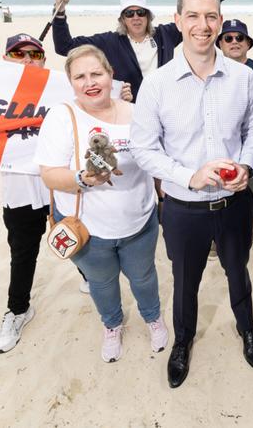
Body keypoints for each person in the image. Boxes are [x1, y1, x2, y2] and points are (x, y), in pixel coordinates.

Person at [130, 0, 253, 389]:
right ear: (177, 20)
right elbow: (143, 150)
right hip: (183, 208)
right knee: (184, 282)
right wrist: (189, 175)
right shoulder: (155, 84)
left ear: (220, 20)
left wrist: (245, 165)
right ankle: (183, 341)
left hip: (233, 203)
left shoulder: (242, 77)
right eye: (193, 16)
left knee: (238, 271)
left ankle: (247, 329)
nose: (202, 25)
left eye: (210, 16)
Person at [35, 44, 168, 363]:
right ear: (71, 82)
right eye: (80, 76)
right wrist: (83, 178)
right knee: (102, 283)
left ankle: (152, 317)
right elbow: (50, 175)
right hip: (88, 233)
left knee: (144, 277)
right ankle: (112, 325)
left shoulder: (138, 114)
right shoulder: (62, 116)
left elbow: (158, 161)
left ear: (111, 75)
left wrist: (164, 198)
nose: (89, 82)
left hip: (138, 223)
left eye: (96, 73)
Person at [52, 0, 238, 101]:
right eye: (129, 13)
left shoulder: (165, 35)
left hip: (167, 107)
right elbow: (64, 47)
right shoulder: (109, 41)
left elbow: (196, 14)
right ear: (122, 19)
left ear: (148, 15)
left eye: (140, 12)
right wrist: (59, 10)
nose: (135, 17)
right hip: (130, 111)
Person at [0, 33, 50, 354]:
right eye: (18, 54)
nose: (27, 59)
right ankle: (18, 311)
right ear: (5, 60)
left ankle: (89, 278)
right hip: (19, 191)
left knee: (76, 240)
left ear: (44, 60)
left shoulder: (61, 90)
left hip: (56, 186)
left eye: (34, 53)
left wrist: (119, 93)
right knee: (23, 253)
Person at [216, 19, 253, 249]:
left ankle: (251, 230)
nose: (234, 42)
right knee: (218, 197)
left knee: (252, 194)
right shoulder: (212, 68)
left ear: (248, 43)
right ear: (220, 43)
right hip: (222, 147)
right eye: (228, 38)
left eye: (239, 38)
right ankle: (216, 237)